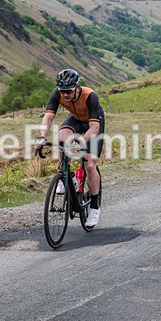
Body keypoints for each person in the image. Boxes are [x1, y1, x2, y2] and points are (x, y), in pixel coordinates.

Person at [35, 69, 105, 228]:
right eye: (62, 91)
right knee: (61, 139)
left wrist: (81, 141)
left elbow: (94, 128)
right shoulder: (57, 93)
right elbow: (48, 117)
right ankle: (66, 174)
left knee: (89, 165)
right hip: (75, 119)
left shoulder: (90, 96)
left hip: (93, 123)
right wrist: (42, 136)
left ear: (77, 87)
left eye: (68, 91)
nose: (65, 95)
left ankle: (94, 207)